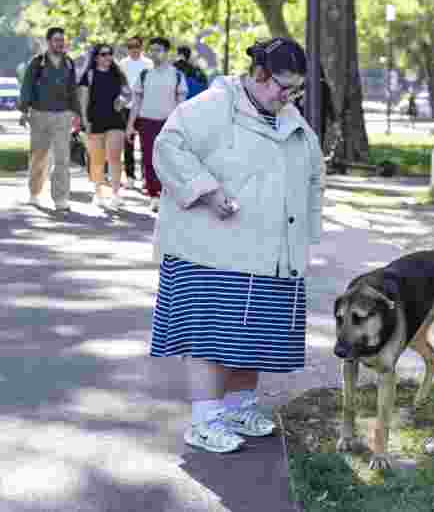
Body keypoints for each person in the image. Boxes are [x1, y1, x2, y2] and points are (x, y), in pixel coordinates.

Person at [148, 37, 324, 454]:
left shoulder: (292, 121)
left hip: (269, 251)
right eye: (283, 86)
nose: (287, 96)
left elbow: (313, 177)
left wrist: (304, 235)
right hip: (209, 250)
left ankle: (239, 406)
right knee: (210, 336)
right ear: (258, 74)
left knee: (254, 335)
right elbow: (167, 147)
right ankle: (204, 420)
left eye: (295, 89)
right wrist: (207, 191)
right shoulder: (212, 106)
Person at [17, 27, 84, 211]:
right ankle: (35, 193)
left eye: (62, 40)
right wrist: (24, 111)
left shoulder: (69, 63)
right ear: (48, 42)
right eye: (56, 40)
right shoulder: (37, 62)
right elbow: (27, 87)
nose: (60, 43)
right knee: (39, 157)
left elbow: (72, 91)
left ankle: (61, 199)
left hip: (62, 115)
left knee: (62, 158)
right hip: (39, 115)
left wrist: (77, 113)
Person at [125, 37, 187, 212]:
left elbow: (181, 104)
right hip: (146, 123)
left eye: (158, 50)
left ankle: (168, 193)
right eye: (151, 50)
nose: (154, 53)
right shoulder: (145, 75)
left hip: (169, 124)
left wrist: (181, 127)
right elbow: (136, 102)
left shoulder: (176, 75)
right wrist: (130, 125)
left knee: (168, 161)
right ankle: (154, 196)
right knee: (149, 159)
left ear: (167, 52)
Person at [78, 43, 132, 210]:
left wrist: (123, 102)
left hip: (115, 120)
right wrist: (85, 121)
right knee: (97, 159)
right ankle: (98, 193)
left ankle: (116, 194)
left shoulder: (118, 73)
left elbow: (128, 93)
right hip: (95, 121)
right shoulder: (89, 75)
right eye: (103, 54)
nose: (107, 57)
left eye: (110, 53)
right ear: (96, 57)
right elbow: (83, 100)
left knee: (114, 158)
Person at [118, 36, 153, 191]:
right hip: (127, 108)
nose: (134, 49)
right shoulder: (122, 64)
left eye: (136, 46)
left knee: (147, 145)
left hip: (145, 108)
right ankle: (130, 177)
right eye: (130, 46)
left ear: (141, 47)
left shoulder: (148, 64)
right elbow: (120, 85)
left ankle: (147, 179)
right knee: (128, 144)